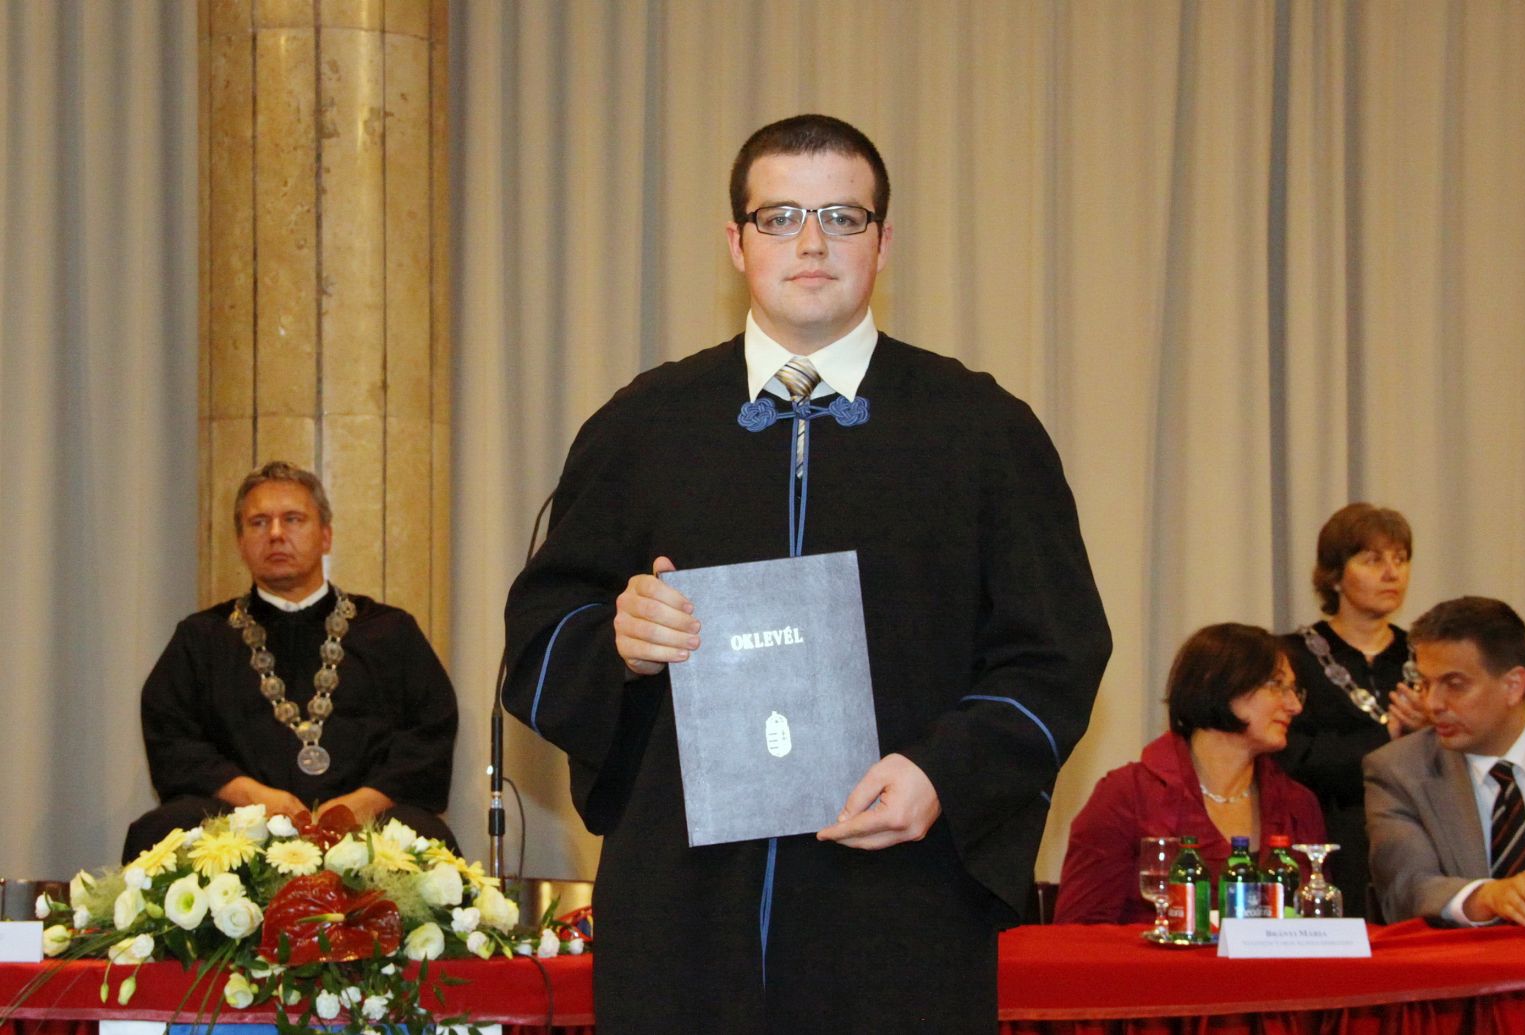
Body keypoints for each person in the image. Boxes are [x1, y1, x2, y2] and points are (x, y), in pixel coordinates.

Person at [502, 114, 1110, 1033]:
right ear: (736, 242)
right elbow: (541, 634)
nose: (812, 242)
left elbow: (1054, 653)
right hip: (683, 906)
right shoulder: (643, 425)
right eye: (780, 216)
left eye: (842, 216)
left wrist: (942, 772)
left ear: (883, 241)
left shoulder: (981, 429)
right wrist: (617, 642)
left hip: (898, 900)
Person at [124, 461, 459, 860]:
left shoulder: (389, 631)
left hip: (365, 827)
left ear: (326, 535)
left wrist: (362, 804)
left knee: (426, 835)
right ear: (240, 542)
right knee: (159, 830)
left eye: (293, 519)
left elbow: (429, 733)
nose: (276, 534)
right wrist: (251, 797)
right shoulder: (202, 637)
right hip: (238, 827)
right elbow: (172, 738)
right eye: (259, 522)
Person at [1055, 623, 1325, 923]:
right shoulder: (1127, 795)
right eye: (1276, 685)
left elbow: (1315, 927)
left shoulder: (1297, 804)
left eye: (1295, 691)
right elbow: (1078, 929)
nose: (1294, 706)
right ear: (1219, 684)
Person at [1275, 503, 1428, 914]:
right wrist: (1387, 737)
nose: (1392, 573)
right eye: (1373, 560)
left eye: (1400, 559)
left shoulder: (1430, 658)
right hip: (1325, 843)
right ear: (1335, 576)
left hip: (1414, 847)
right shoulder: (1291, 657)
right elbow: (1290, 757)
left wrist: (1430, 731)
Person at [1365, 596, 1525, 928]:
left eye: (1454, 685)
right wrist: (1486, 897)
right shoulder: (1399, 771)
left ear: (1513, 685)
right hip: (1470, 958)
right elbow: (1406, 888)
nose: (1432, 703)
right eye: (1424, 684)